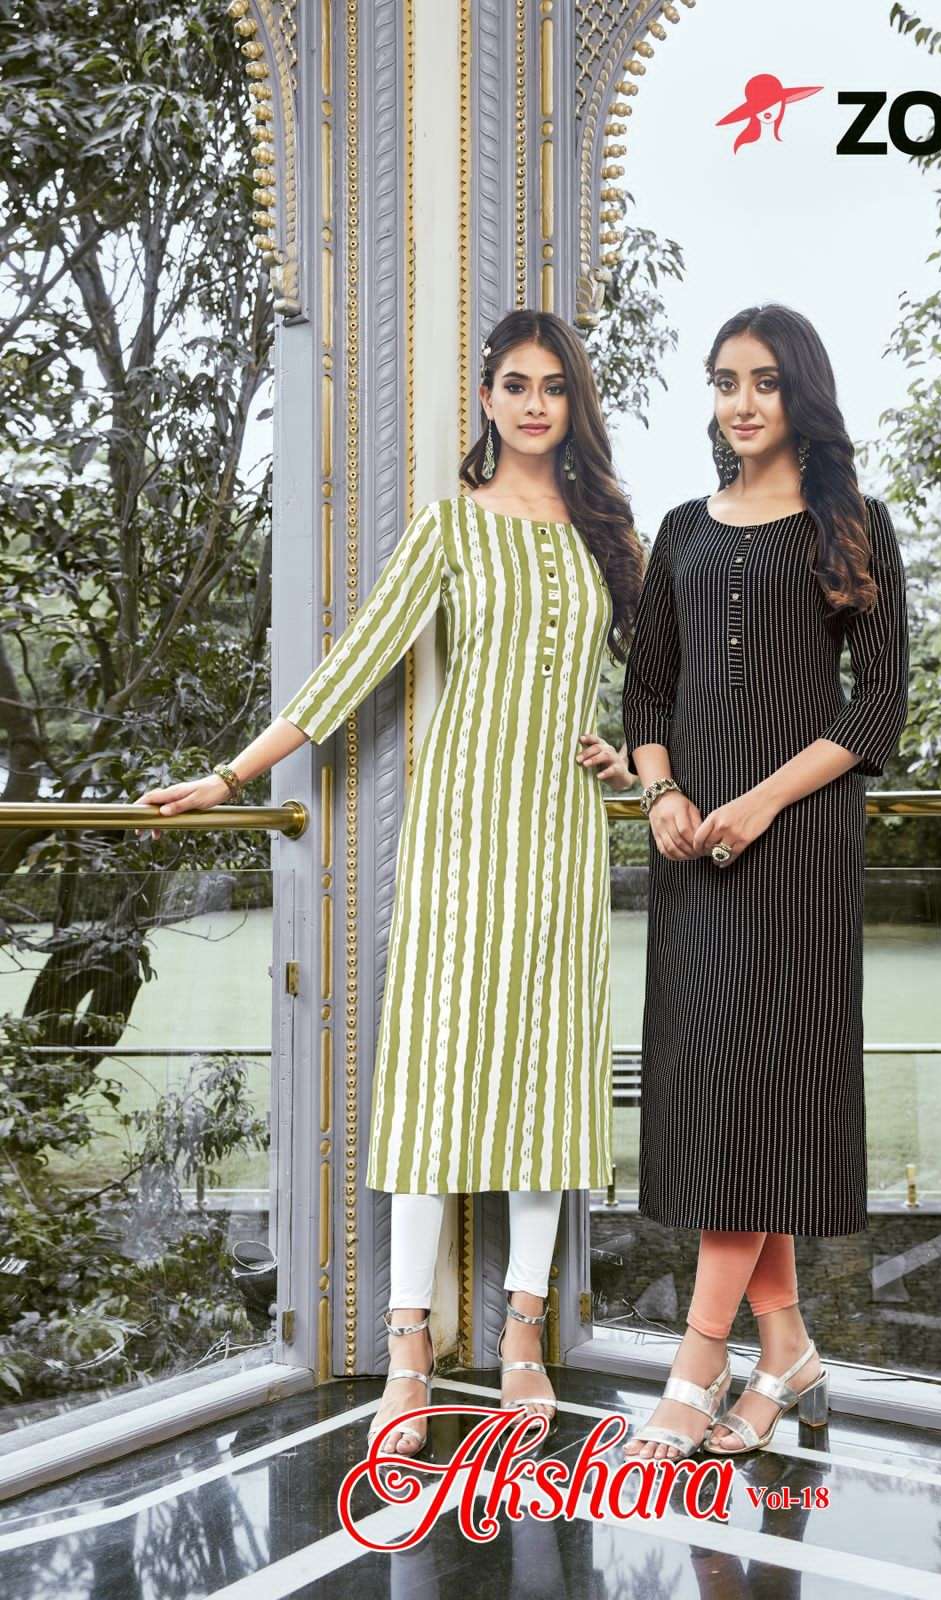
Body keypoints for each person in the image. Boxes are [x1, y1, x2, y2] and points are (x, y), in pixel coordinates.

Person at [136, 308, 640, 1456]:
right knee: (436, 1077)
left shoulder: (606, 533)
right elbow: (355, 661)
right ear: (487, 397)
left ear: (573, 403)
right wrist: (232, 775)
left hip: (563, 838)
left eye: (554, 387)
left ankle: (521, 1336)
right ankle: (409, 1348)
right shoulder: (449, 527)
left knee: (548, 1075)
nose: (534, 405)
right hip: (460, 839)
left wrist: (629, 756)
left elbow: (657, 678)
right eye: (516, 384)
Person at [619, 303, 910, 1460]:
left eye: (765, 382)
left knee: (757, 1091)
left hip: (800, 854)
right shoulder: (686, 529)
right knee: (731, 1101)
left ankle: (698, 1362)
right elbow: (648, 691)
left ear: (803, 395)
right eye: (725, 381)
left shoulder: (855, 527)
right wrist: (662, 793)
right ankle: (786, 1350)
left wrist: (761, 802)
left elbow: (879, 703)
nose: (741, 402)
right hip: (694, 857)